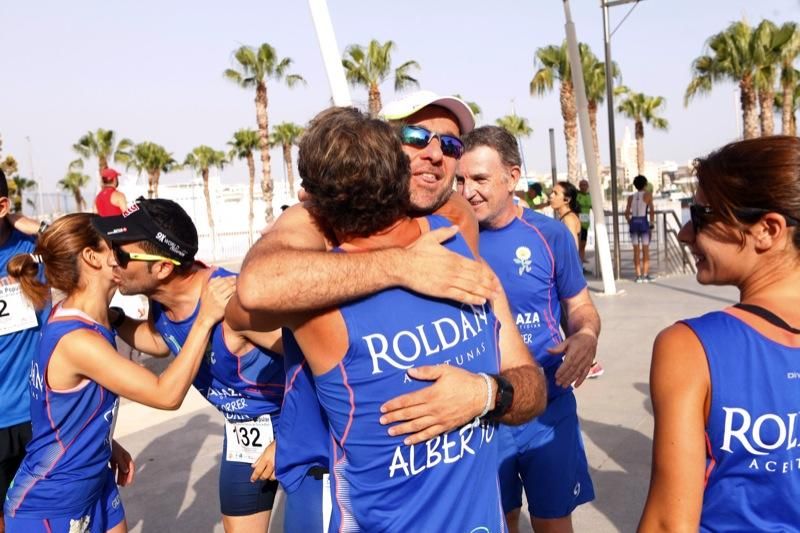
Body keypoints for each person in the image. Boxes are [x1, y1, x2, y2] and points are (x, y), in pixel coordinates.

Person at [232, 106, 546, 531]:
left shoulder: (460, 243)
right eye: (418, 137)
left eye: (449, 145)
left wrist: (486, 394)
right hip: (326, 484)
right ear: (397, 167)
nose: (435, 154)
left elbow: (531, 386)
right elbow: (250, 293)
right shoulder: (316, 271)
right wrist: (400, 265)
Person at [3, 212, 233, 533]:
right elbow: (166, 394)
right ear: (91, 257)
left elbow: (157, 345)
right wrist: (205, 318)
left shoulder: (95, 319)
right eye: (114, 244)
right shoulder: (76, 339)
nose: (124, 250)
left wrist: (104, 442)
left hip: (97, 483)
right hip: (50, 503)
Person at [90, 199, 285, 533]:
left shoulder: (234, 301)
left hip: (300, 424)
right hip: (243, 431)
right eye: (112, 248)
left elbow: (318, 361)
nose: (112, 260)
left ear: (163, 268)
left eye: (121, 254)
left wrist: (290, 437)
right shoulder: (160, 304)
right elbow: (162, 341)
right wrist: (114, 318)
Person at [639, 136, 800, 530]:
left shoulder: (691, 348)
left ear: (768, 229)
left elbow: (668, 524)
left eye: (702, 214)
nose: (685, 233)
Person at [458, 126, 600, 533]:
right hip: (484, 419)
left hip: (548, 413)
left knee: (554, 523)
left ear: (512, 177)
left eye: (480, 179)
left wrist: (586, 335)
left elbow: (580, 306)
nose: (468, 192)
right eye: (462, 180)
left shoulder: (550, 234)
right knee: (498, 524)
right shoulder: (451, 240)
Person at [0, 169, 50, 533]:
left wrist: (41, 226)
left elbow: (92, 245)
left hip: (35, 412)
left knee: (41, 515)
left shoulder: (31, 250)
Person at [625, 175, 655, 283]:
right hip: (643, 223)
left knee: (636, 250)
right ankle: (645, 275)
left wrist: (630, 221)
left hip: (634, 222)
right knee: (645, 250)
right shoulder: (648, 195)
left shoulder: (630, 197)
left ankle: (638, 276)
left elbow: (626, 213)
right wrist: (651, 223)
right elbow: (651, 210)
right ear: (645, 184)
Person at [550, 181, 582, 250]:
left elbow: (574, 248)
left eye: (555, 193)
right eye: (552, 192)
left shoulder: (569, 219)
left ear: (566, 200)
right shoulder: (565, 217)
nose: (551, 196)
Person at [576, 179, 592, 264]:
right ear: (579, 186)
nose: (583, 187)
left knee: (583, 244)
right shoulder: (576, 195)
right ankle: (578, 263)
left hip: (585, 223)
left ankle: (581, 262)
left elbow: (593, 207)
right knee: (578, 244)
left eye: (585, 185)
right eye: (582, 185)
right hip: (578, 223)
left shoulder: (589, 196)